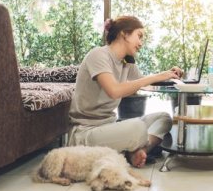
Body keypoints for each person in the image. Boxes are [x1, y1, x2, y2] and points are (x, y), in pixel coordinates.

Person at [68, 15, 182, 168]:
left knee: (164, 118)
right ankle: (133, 151)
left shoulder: (126, 62)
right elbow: (114, 91)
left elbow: (145, 83)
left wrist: (171, 74)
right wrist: (157, 76)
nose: (141, 43)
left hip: (110, 126)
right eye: (139, 36)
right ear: (124, 33)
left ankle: (136, 152)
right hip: (86, 133)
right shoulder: (98, 55)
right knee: (137, 128)